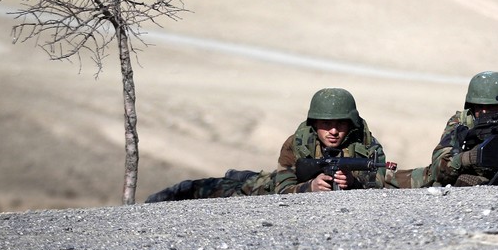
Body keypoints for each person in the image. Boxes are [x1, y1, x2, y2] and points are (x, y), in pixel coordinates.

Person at [146, 88, 429, 202]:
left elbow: (380, 179)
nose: (333, 131)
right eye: (325, 124)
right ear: (313, 122)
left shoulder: (366, 145)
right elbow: (282, 185)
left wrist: (353, 182)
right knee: (232, 187)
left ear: (351, 123)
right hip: (268, 184)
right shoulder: (297, 143)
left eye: (341, 124)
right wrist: (310, 187)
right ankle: (172, 193)